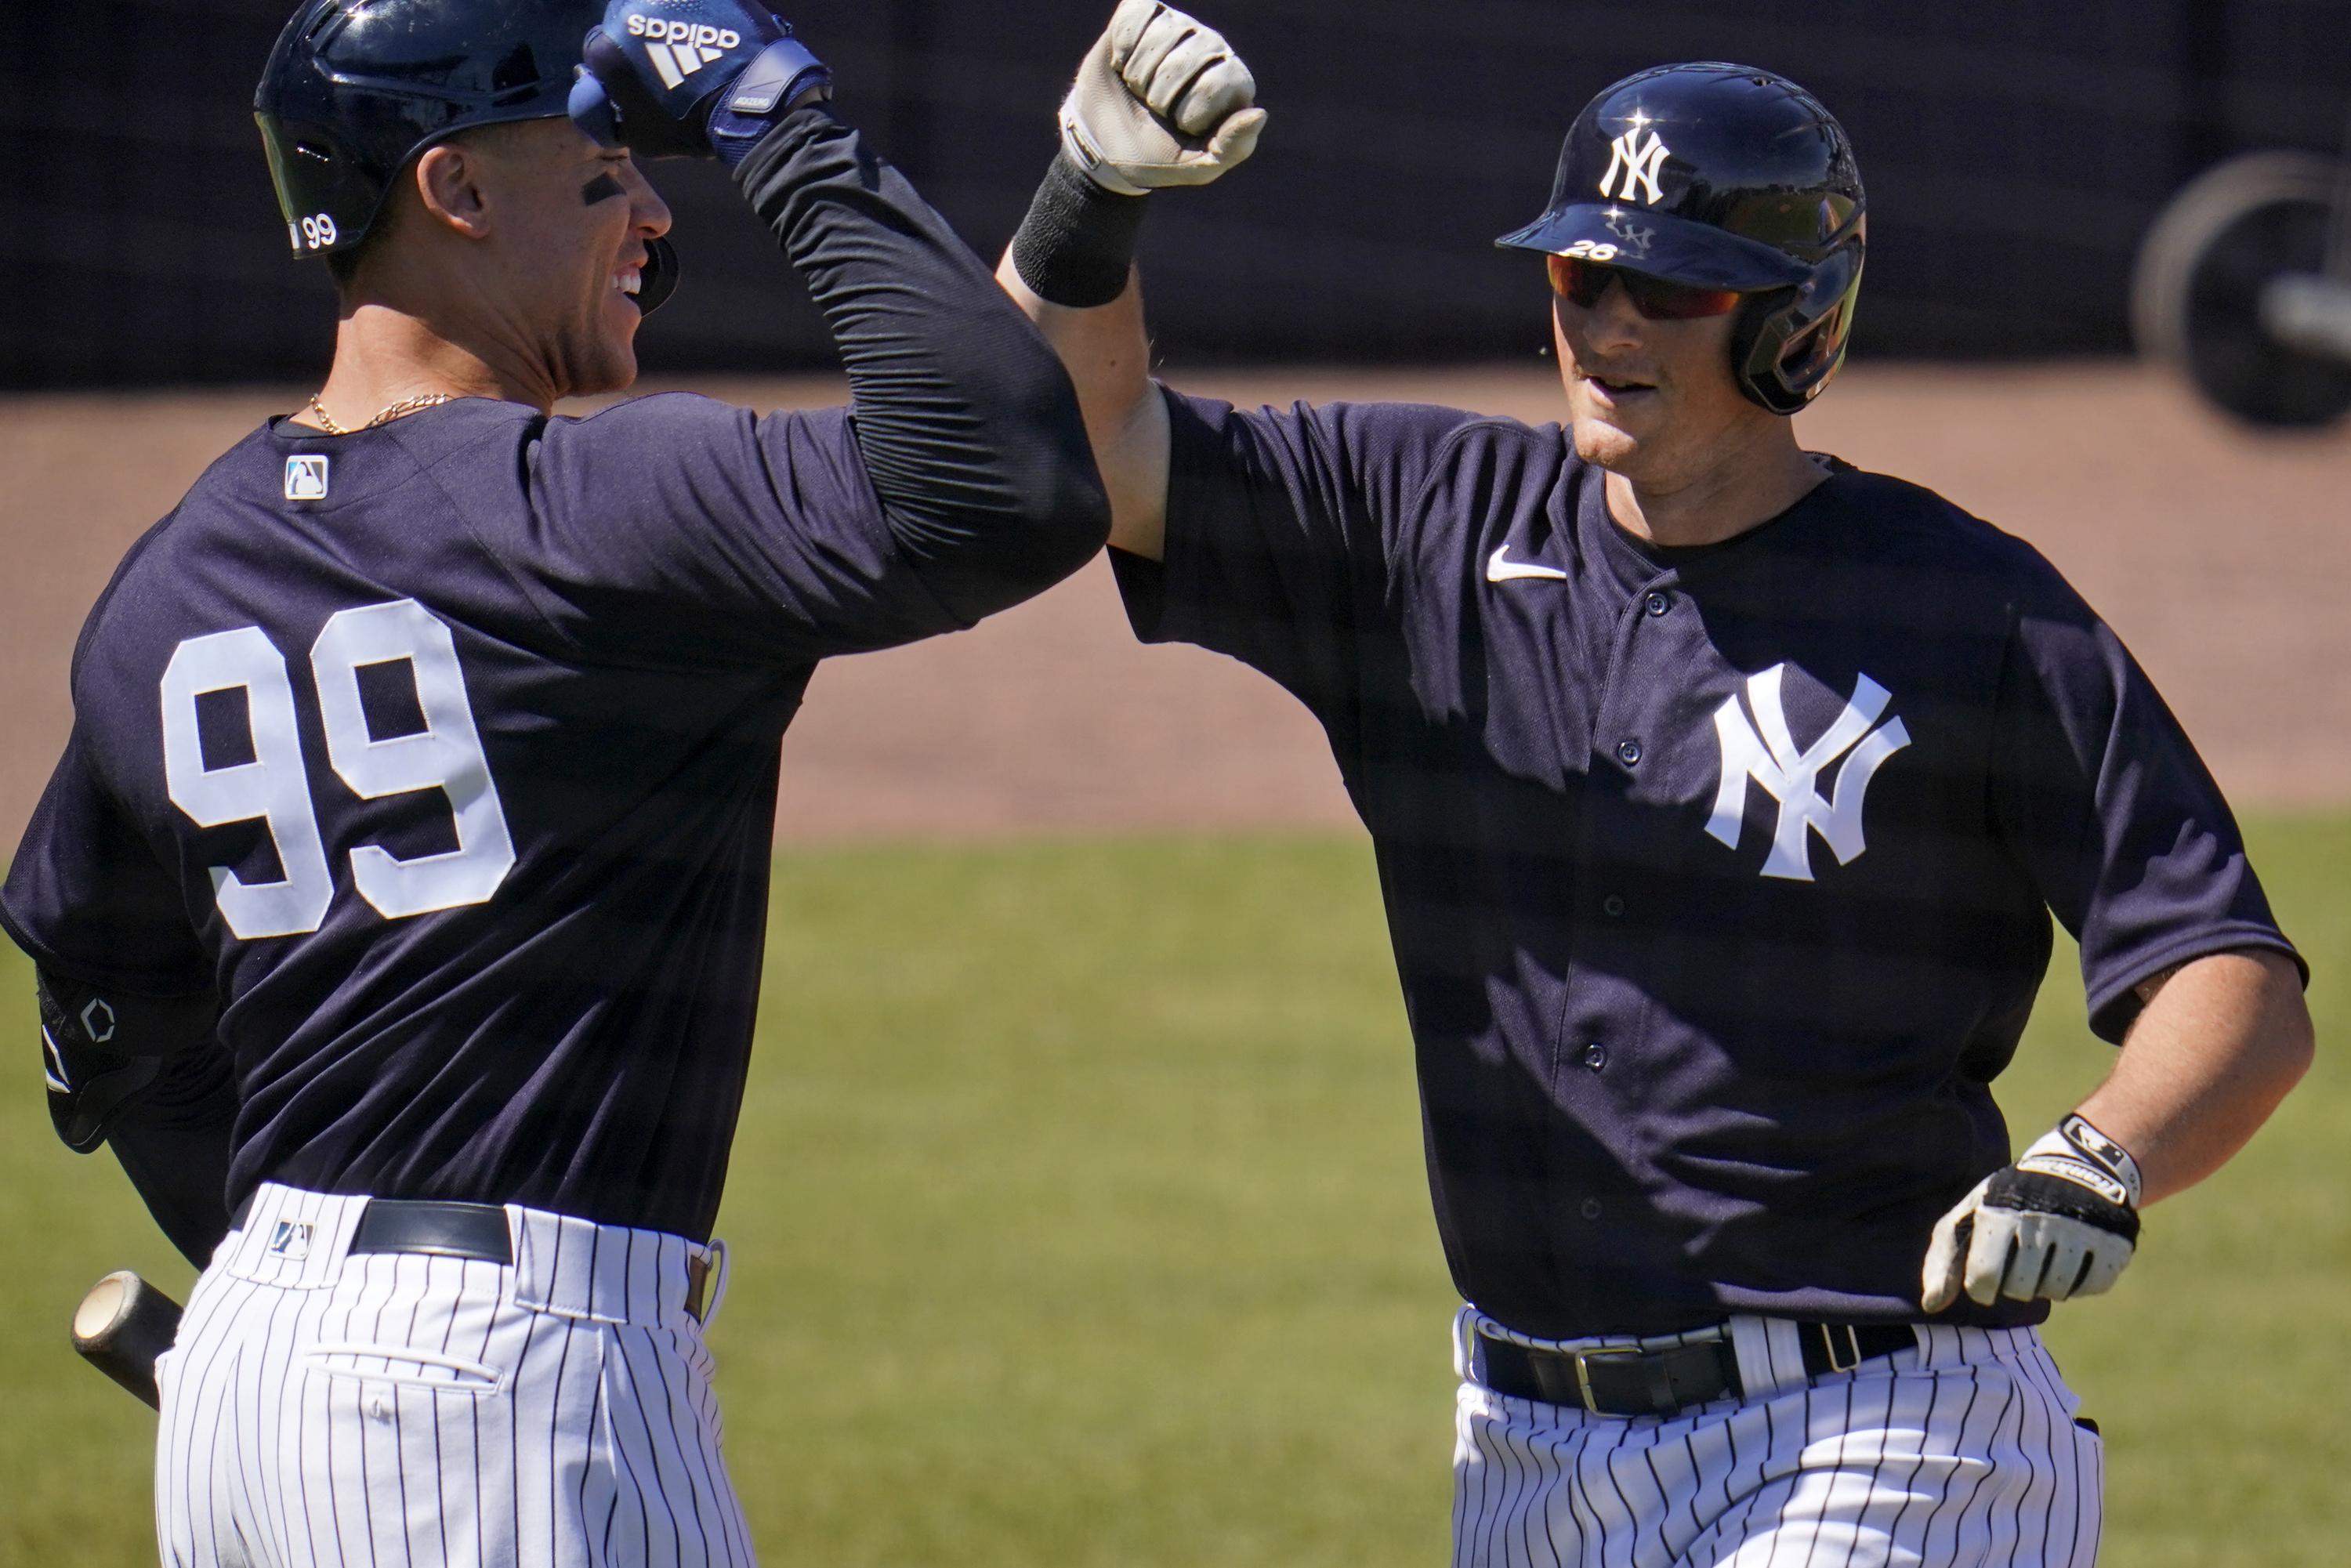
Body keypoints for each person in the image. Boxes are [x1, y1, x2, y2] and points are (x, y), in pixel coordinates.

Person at [999, 8, 2313, 1563]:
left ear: (1796, 321)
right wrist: (1087, 196)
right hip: (1526, 1452)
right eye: (1578, 272)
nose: (1608, 322)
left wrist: (2097, 1156)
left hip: (1886, 1431)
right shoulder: (1419, 521)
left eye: (1670, 283)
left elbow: (2229, 972)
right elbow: (1069, 446)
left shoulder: (1969, 609)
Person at [3, 0, 1107, 1560]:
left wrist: (305, 1279)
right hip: (500, 1390)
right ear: (454, 191)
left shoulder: (167, 584)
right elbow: (1005, 480)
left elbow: (98, 1020)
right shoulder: (588, 518)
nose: (656, 213)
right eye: (602, 178)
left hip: (252, 1380)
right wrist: (780, 122)